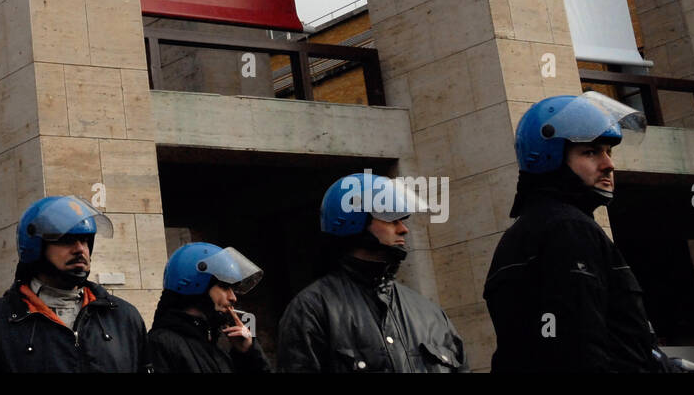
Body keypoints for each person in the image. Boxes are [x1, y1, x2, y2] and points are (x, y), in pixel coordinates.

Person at [484, 91, 667, 372]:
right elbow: (581, 347)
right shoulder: (568, 229)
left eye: (609, 151)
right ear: (549, 157)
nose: (609, 164)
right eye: (591, 152)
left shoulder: (525, 232)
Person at [277, 172, 467, 372]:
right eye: (391, 219)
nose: (403, 229)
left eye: (402, 220)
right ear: (354, 220)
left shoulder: (430, 312)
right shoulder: (311, 309)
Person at [0, 195, 149, 372]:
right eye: (66, 240)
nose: (80, 250)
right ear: (35, 246)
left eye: (85, 240)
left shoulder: (124, 318)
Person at [148, 241, 269, 373]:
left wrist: (247, 353)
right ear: (196, 285)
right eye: (224, 287)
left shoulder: (212, 345)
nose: (233, 297)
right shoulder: (162, 344)